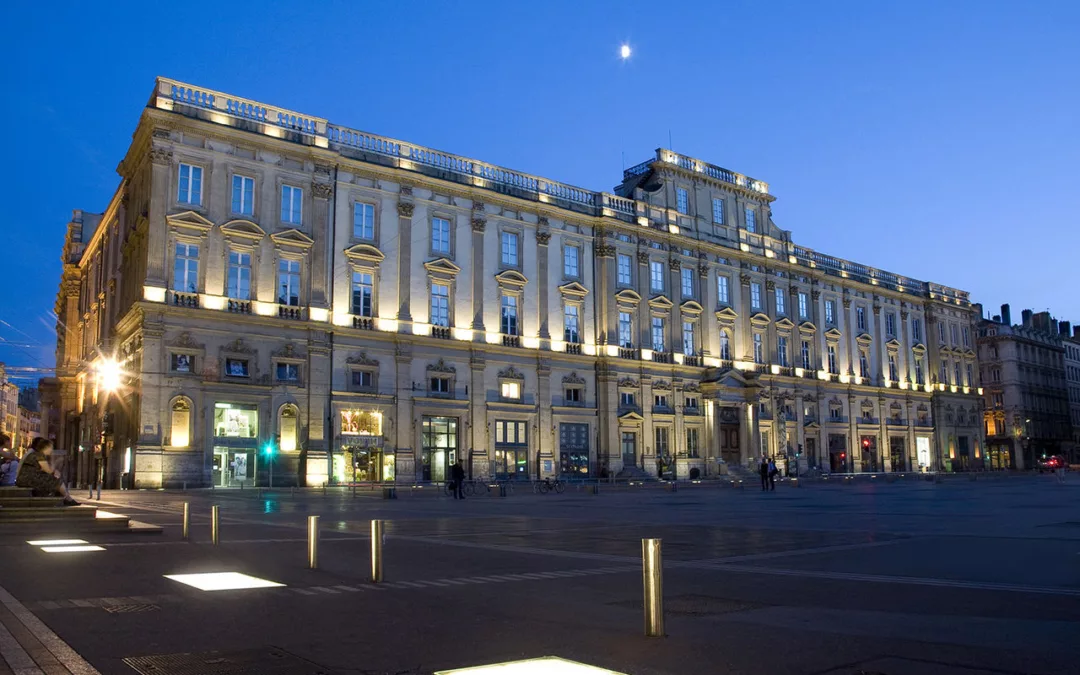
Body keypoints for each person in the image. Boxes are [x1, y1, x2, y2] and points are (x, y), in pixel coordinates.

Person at [16, 437, 78, 505]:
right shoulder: (39, 455)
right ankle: (68, 499)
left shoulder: (37, 454)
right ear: (46, 447)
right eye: (51, 447)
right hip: (28, 479)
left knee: (55, 480)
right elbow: (49, 470)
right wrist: (56, 461)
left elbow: (46, 470)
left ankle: (66, 498)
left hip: (27, 478)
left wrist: (54, 470)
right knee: (57, 481)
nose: (52, 449)